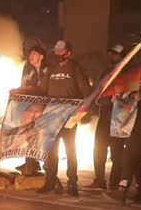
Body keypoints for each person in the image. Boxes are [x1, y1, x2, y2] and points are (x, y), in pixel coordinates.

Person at [37, 40, 92, 196]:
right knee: (51, 151)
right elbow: (42, 91)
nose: (57, 54)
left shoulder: (75, 69)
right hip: (52, 118)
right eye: (56, 51)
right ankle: (50, 182)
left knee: (70, 151)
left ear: (69, 53)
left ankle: (72, 183)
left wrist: (83, 112)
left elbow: (86, 91)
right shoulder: (50, 69)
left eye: (61, 51)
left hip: (69, 118)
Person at [108, 69, 141, 204]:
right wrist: (117, 99)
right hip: (130, 129)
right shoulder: (130, 87)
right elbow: (126, 106)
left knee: (127, 160)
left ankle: (122, 190)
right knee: (136, 163)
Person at [87, 44, 124, 190]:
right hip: (105, 114)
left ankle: (114, 183)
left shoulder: (127, 72)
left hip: (119, 117)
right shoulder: (106, 72)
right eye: (111, 53)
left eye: (116, 54)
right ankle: (99, 180)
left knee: (117, 152)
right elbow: (97, 90)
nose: (112, 56)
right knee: (99, 148)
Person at [10, 46, 48, 176]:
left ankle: (46, 164)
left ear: (41, 56)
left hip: (45, 107)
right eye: (30, 53)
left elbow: (42, 89)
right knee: (29, 134)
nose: (31, 55)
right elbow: (24, 86)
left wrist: (24, 91)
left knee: (43, 136)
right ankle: (30, 163)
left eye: (34, 53)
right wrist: (18, 92)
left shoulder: (47, 70)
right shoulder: (28, 69)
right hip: (30, 107)